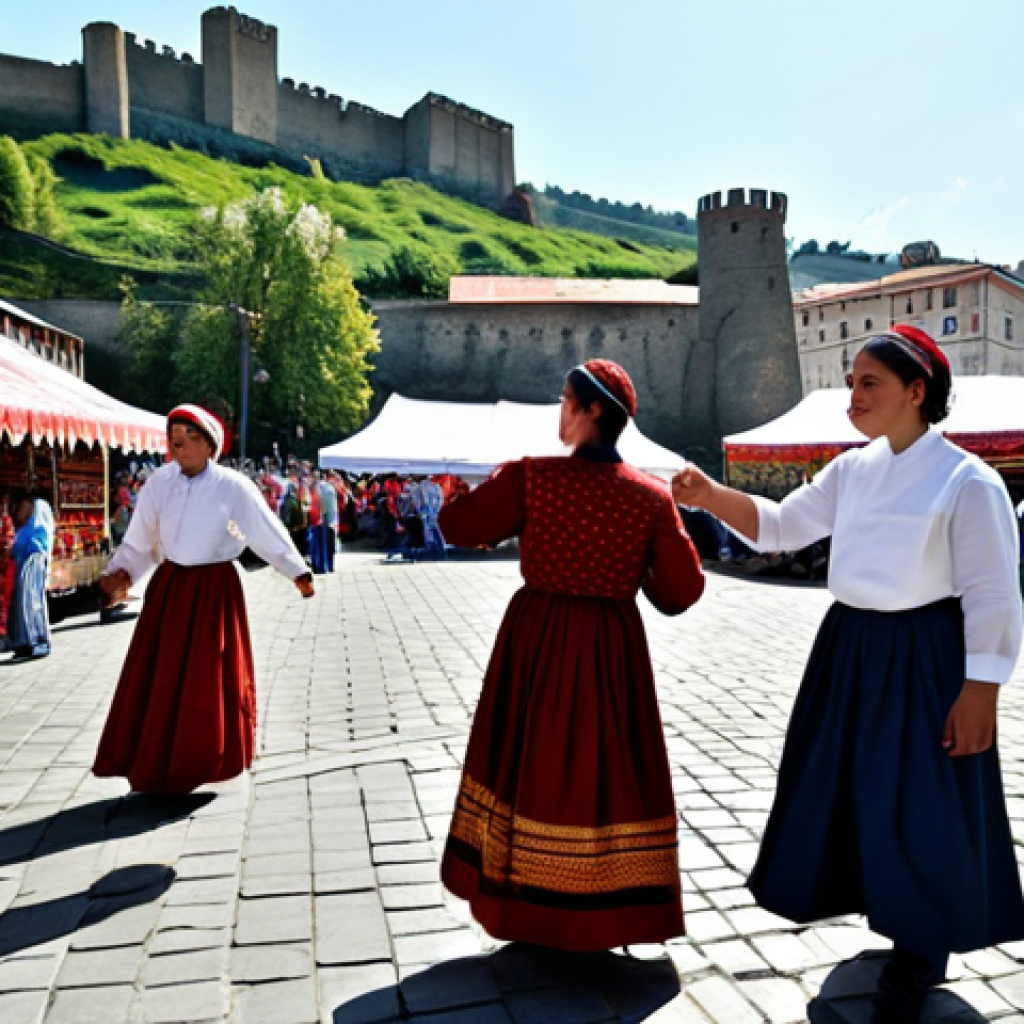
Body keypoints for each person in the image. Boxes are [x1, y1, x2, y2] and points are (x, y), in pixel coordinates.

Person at [672, 325, 1024, 1023]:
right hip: (850, 649)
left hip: (925, 656)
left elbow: (992, 591)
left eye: (870, 384)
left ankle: (921, 947)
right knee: (847, 789)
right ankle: (876, 900)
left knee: (919, 800)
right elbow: (777, 528)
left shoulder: (967, 480)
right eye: (851, 382)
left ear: (916, 392)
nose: (852, 398)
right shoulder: (850, 469)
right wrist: (711, 495)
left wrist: (981, 688)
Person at [439, 359, 706, 951]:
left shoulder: (532, 477)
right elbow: (679, 593)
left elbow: (458, 527)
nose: (559, 411)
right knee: (606, 768)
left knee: (527, 760)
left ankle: (527, 899)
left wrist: (458, 492)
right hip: (612, 648)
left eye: (565, 400)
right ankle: (604, 905)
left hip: (537, 640)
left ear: (590, 412)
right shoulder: (650, 497)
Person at [93, 404, 315, 795]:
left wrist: (296, 570)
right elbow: (141, 539)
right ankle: (158, 759)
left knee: (205, 678)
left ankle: (201, 759)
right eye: (175, 440)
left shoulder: (232, 486)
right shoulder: (159, 483)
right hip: (171, 590)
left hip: (215, 591)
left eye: (192, 439)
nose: (182, 448)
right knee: (161, 678)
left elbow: (264, 530)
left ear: (211, 445)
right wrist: (121, 575)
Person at [4, 495, 55, 661]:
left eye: (26, 507)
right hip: (24, 563)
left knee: (32, 603)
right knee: (21, 605)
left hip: (33, 562)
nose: (22, 511)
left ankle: (38, 642)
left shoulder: (37, 533)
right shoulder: (26, 530)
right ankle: (24, 643)